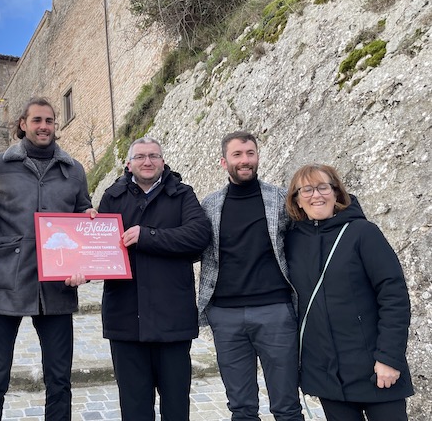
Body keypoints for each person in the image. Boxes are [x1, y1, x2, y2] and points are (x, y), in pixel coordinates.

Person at [0, 98, 95, 421]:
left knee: (59, 380)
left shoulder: (74, 170)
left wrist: (86, 254)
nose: (44, 126)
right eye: (37, 120)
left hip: (57, 287)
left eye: (49, 120)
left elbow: (84, 216)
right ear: (23, 124)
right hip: (6, 283)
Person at [285, 163, 413, 421]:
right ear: (297, 200)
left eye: (323, 187)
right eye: (307, 190)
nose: (316, 195)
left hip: (375, 369)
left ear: (336, 193)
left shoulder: (363, 233)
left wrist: (389, 358)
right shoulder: (292, 241)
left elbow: (394, 296)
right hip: (327, 376)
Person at [97, 136, 211, 420]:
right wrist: (81, 270)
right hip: (125, 319)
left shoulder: (183, 194)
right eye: (140, 156)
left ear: (163, 161)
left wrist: (147, 236)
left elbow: (199, 235)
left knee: (176, 407)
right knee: (134, 409)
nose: (147, 161)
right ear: (129, 164)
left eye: (153, 156)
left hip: (172, 319)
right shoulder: (112, 197)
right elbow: (98, 248)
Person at [197, 130, 304, 421]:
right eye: (237, 154)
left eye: (250, 153)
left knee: (287, 406)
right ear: (224, 162)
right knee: (241, 408)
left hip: (275, 312)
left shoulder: (280, 199)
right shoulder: (209, 205)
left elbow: (304, 240)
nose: (245, 160)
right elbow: (191, 245)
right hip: (225, 316)